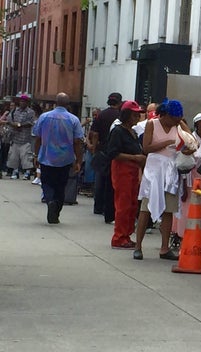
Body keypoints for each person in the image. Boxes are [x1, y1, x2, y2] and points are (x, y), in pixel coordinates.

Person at [133, 99, 193, 261]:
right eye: (173, 117)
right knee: (145, 209)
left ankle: (164, 248)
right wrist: (166, 142)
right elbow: (146, 148)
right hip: (154, 170)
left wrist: (180, 123)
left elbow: (191, 141)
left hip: (171, 171)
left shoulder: (178, 125)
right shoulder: (152, 124)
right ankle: (138, 246)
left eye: (178, 118)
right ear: (164, 115)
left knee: (169, 210)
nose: (175, 120)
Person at [31, 93, 84, 224]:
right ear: (68, 104)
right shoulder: (73, 120)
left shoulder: (44, 117)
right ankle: (56, 210)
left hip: (47, 156)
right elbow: (78, 141)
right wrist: (78, 160)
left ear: (55, 102)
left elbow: (38, 138)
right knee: (61, 185)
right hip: (65, 159)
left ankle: (50, 200)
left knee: (47, 182)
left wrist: (36, 155)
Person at [105, 101, 146, 249]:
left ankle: (126, 235)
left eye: (138, 114)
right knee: (123, 205)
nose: (137, 117)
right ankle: (119, 237)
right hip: (122, 170)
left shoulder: (132, 132)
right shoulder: (118, 131)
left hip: (133, 170)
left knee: (132, 205)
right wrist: (135, 158)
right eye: (134, 114)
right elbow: (113, 153)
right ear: (127, 115)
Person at [174, 113, 201, 243]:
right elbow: (184, 161)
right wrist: (184, 186)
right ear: (196, 127)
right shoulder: (190, 140)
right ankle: (184, 239)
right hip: (191, 180)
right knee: (188, 210)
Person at [89, 92, 123, 224]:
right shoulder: (119, 116)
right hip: (114, 150)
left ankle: (98, 206)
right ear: (119, 102)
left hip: (101, 149)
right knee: (111, 181)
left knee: (100, 178)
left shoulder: (101, 115)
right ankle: (107, 207)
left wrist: (94, 147)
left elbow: (95, 133)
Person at [7, 94, 36, 180]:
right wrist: (14, 125)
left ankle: (27, 173)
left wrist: (20, 125)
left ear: (27, 103)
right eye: (21, 101)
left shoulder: (31, 112)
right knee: (13, 156)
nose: (22, 103)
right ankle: (15, 171)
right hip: (15, 137)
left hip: (25, 138)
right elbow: (9, 120)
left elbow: (30, 122)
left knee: (26, 156)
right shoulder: (14, 111)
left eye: (24, 101)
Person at [0, 101, 16, 177]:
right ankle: (3, 166)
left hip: (13, 135)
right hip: (5, 135)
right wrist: (7, 121)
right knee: (4, 151)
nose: (11, 107)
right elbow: (0, 120)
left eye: (13, 105)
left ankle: (9, 169)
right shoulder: (7, 113)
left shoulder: (16, 114)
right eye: (10, 105)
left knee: (10, 153)